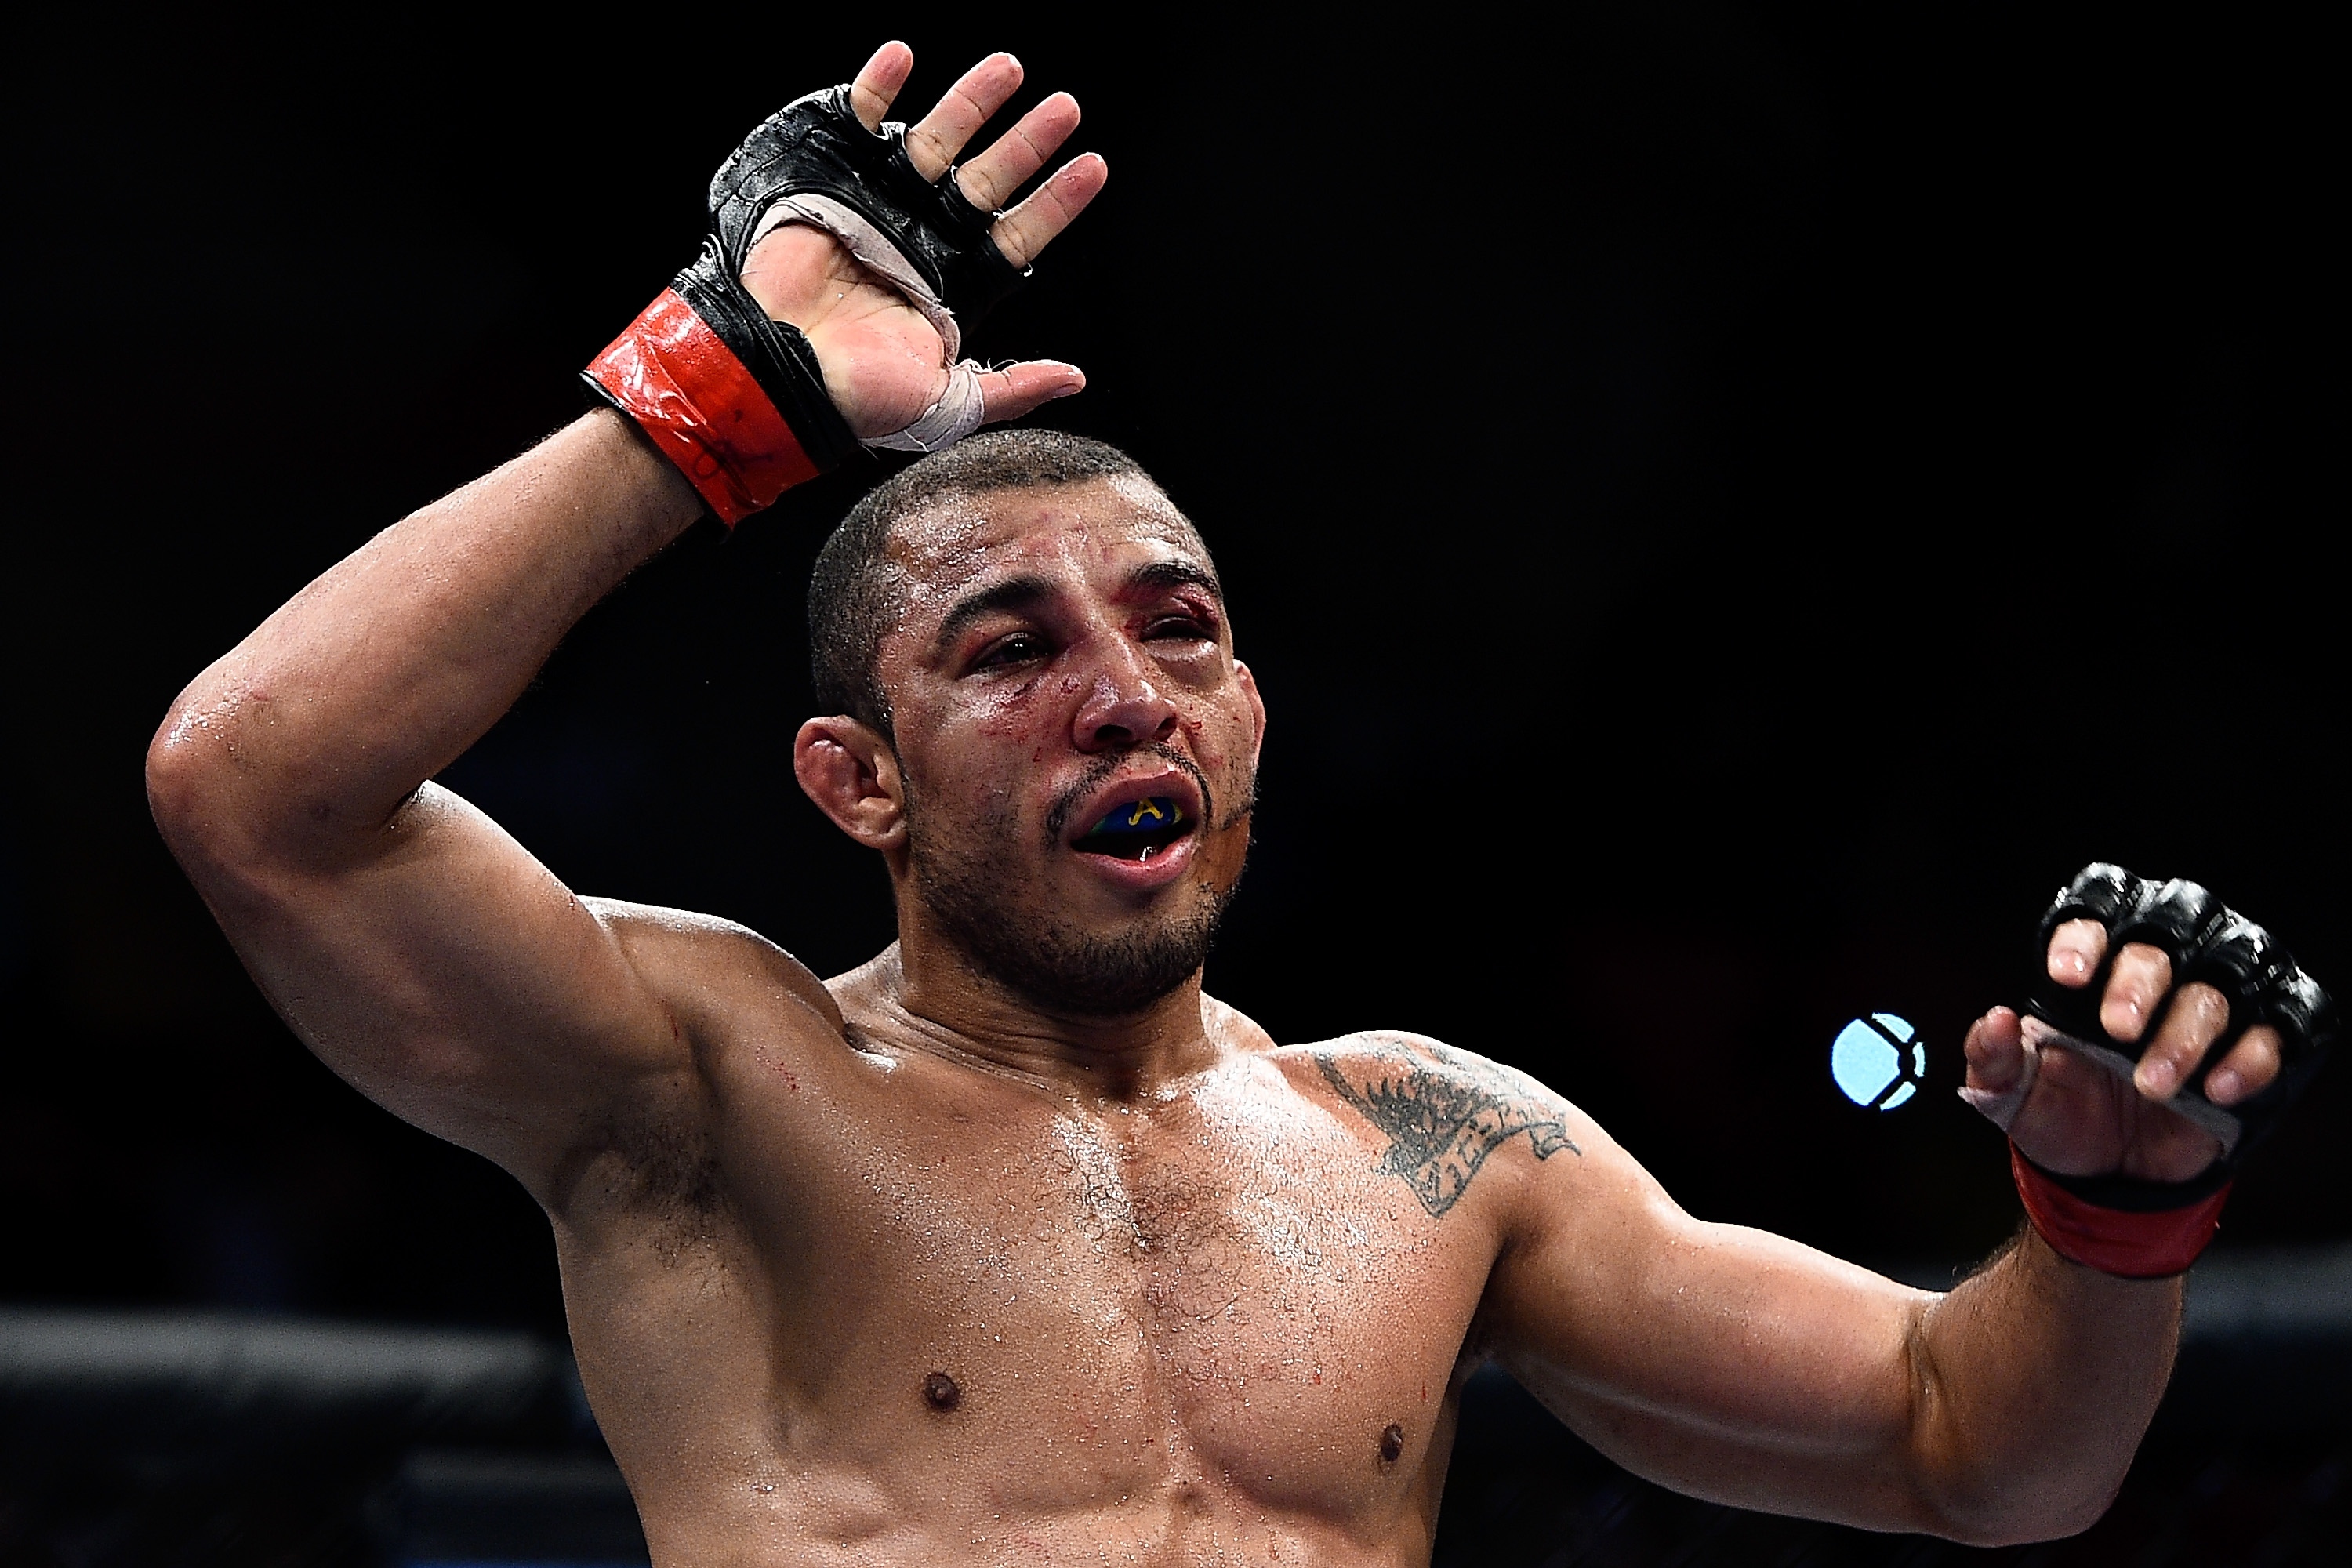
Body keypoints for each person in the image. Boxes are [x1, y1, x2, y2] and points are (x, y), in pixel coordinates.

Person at [147, 42, 2329, 1563]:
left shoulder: (1444, 1149)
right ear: (857, 781)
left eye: (1180, 629)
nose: (1124, 694)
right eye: (1009, 650)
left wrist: (2110, 1217)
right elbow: (261, 788)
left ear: (1257, 714)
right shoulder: (711, 1082)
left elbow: (1981, 1453)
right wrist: (713, 390)